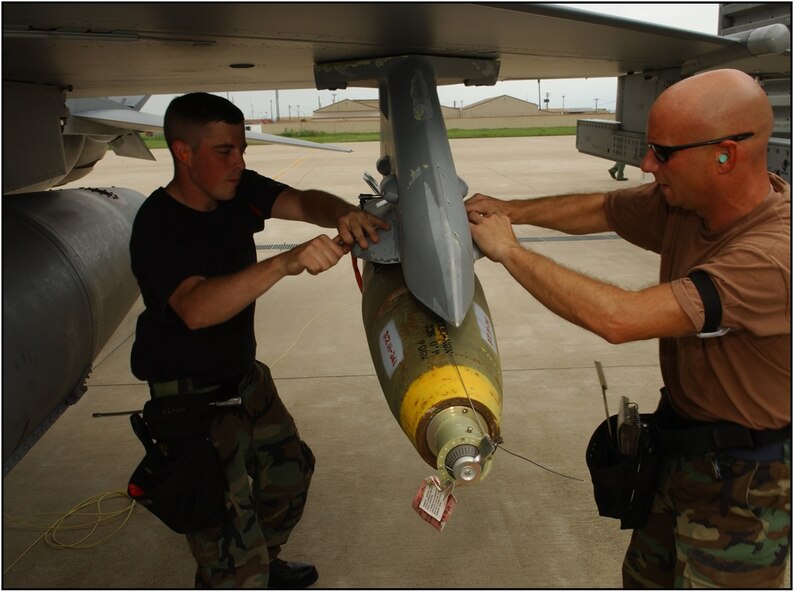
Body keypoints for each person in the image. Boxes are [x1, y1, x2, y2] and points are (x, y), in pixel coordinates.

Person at [465, 69, 790, 588]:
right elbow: (605, 209)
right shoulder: (687, 205)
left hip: (745, 483)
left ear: (725, 155)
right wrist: (512, 210)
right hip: (680, 447)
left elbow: (621, 319)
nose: (646, 164)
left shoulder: (772, 256)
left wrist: (509, 250)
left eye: (662, 153)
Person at [129, 92, 388, 588]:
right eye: (225, 151)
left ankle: (262, 564)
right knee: (224, 538)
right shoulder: (158, 225)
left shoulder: (236, 189)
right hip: (190, 398)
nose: (239, 162)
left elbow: (300, 200)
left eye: (242, 149)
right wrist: (286, 262)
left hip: (244, 378)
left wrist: (341, 214)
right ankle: (238, 573)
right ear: (184, 153)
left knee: (290, 476)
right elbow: (196, 308)